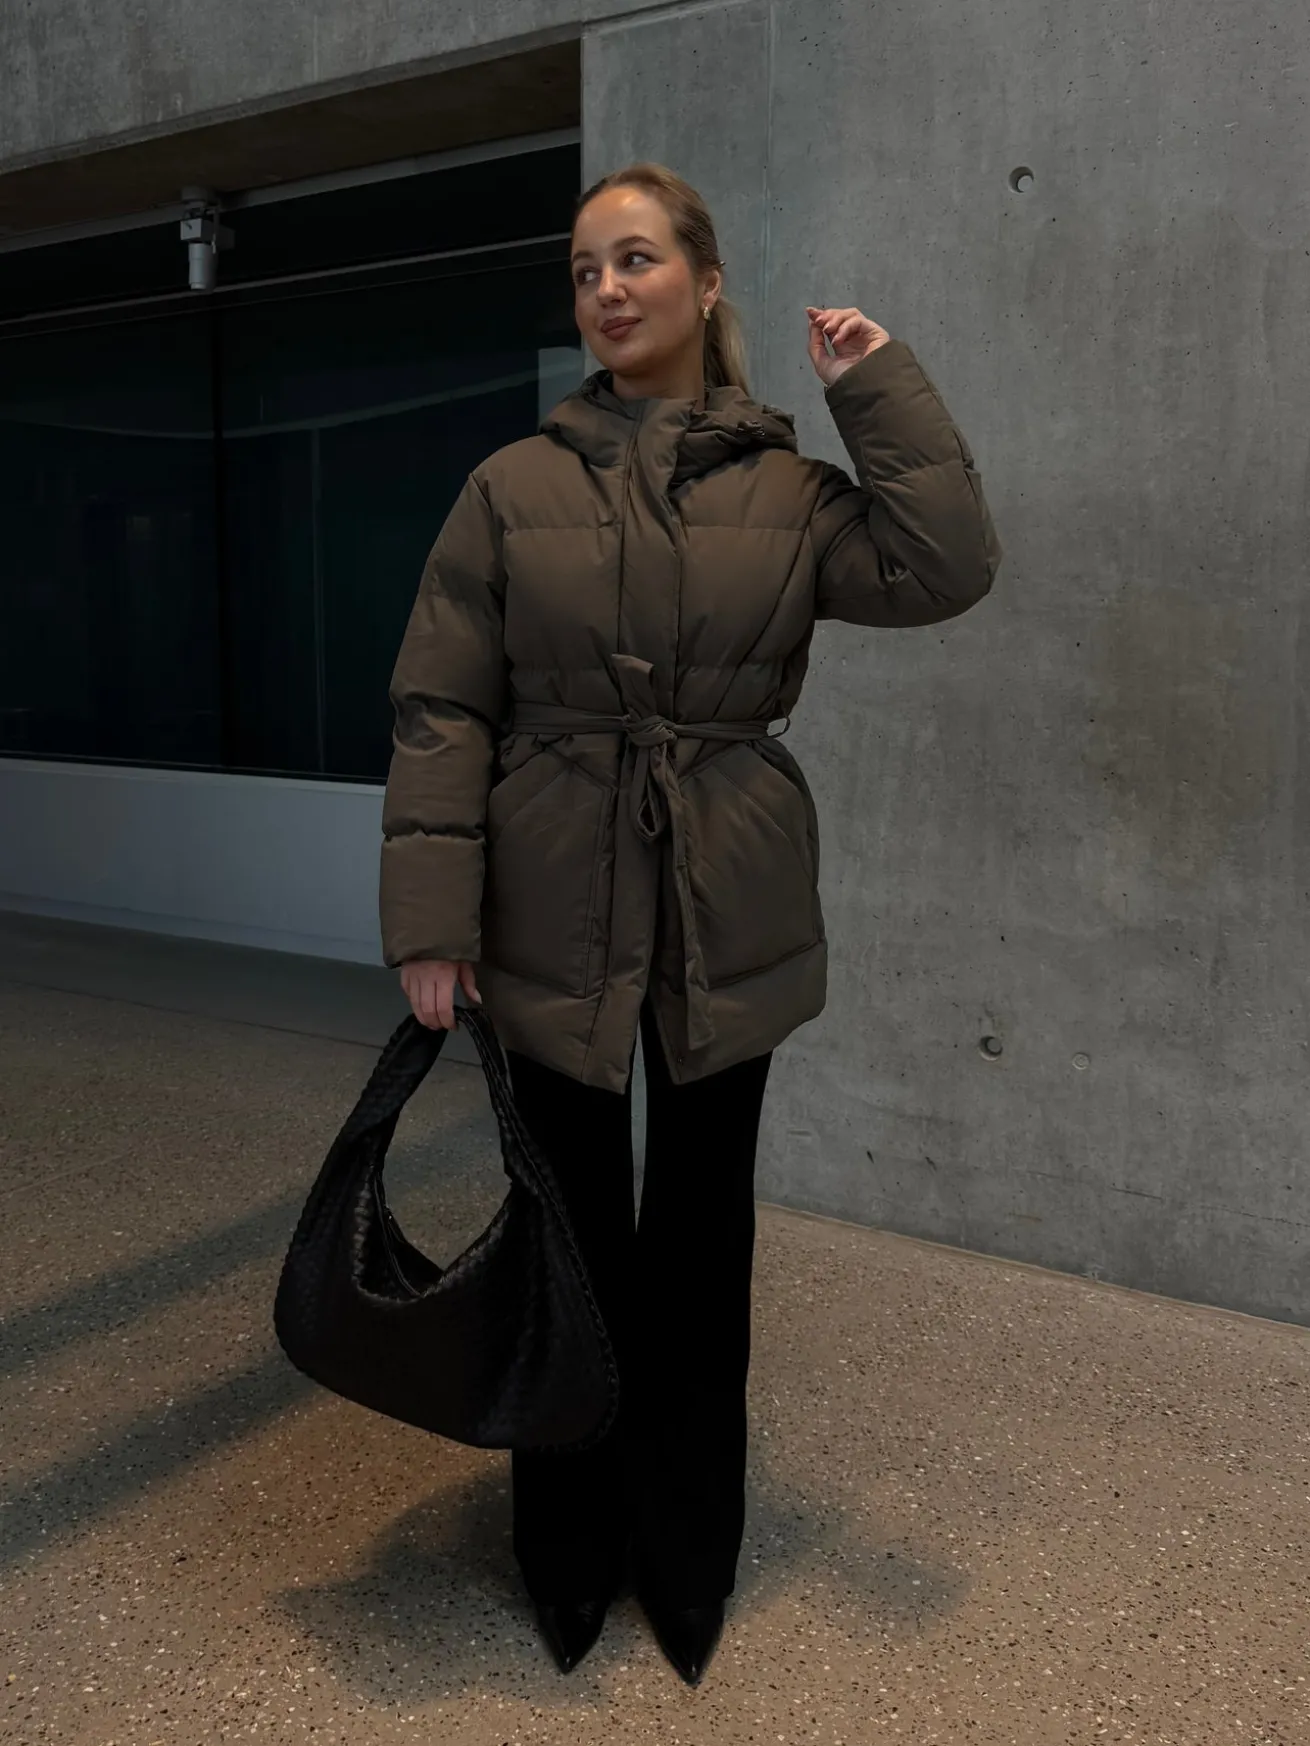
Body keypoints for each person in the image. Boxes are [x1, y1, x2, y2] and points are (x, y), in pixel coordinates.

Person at [379, 161, 1002, 1685]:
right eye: (585, 267)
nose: (606, 287)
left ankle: (686, 1548)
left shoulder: (788, 489)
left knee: (702, 1243)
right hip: (546, 896)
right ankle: (564, 1545)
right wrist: (430, 919)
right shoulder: (508, 487)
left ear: (705, 281)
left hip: (727, 894)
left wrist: (876, 391)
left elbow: (941, 566)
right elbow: (443, 705)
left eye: (636, 258)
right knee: (568, 1237)